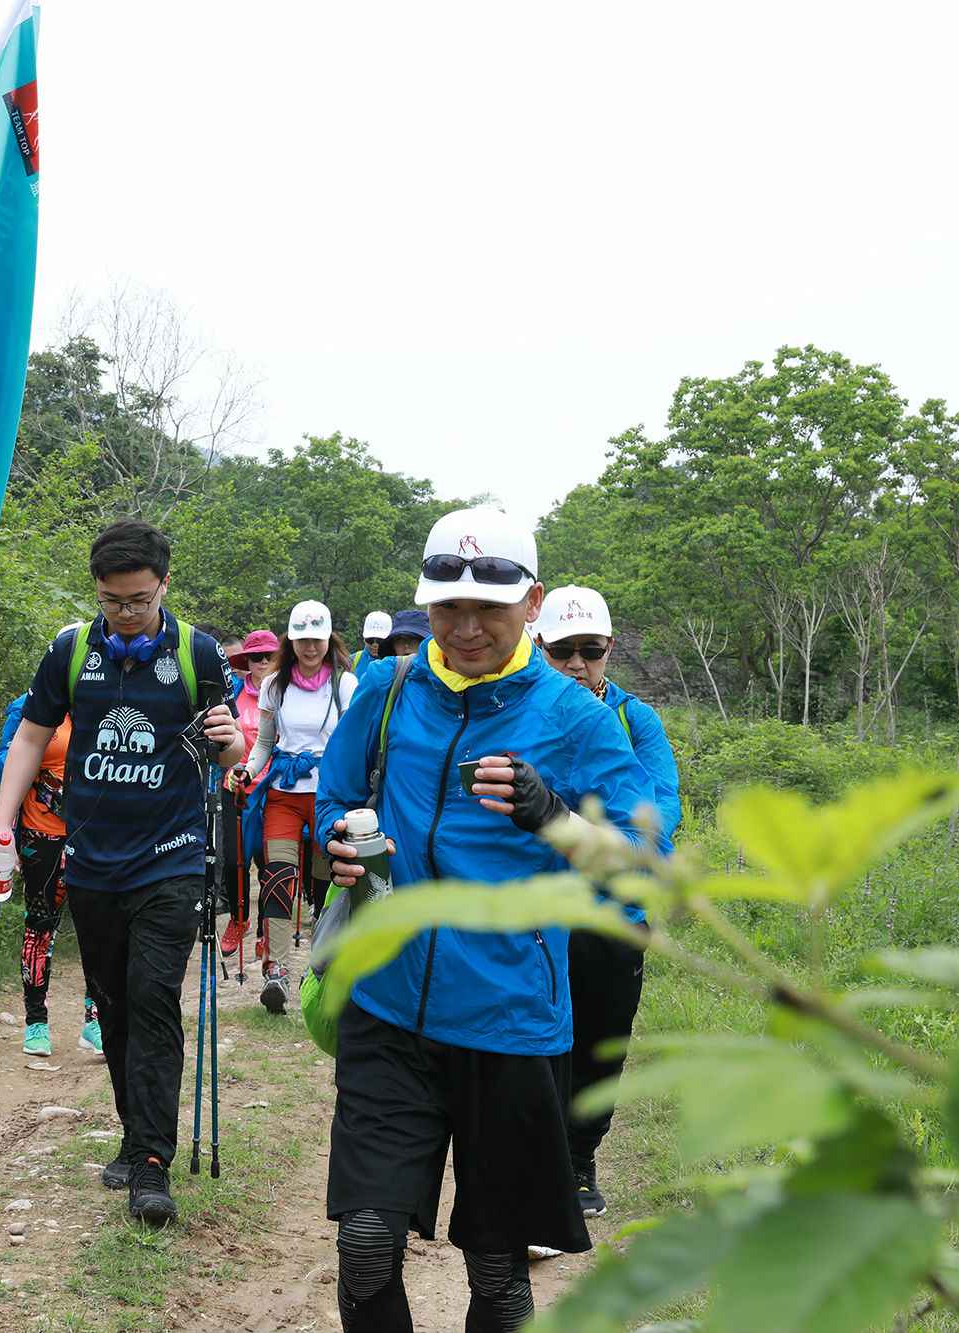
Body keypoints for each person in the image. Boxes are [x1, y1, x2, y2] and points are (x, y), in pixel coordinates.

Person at [313, 507, 656, 1333]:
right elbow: (336, 794)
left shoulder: (575, 718)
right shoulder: (389, 690)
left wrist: (555, 817)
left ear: (531, 604)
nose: (466, 628)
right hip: (387, 1005)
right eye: (448, 607)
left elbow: (642, 862)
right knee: (365, 1243)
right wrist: (339, 842)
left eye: (488, 609)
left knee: (498, 1273)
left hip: (509, 1022)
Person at [0, 520, 243, 1225]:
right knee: (116, 1004)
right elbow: (30, 737)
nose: (125, 613)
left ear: (163, 585)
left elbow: (230, 751)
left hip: (172, 858)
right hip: (92, 863)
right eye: (111, 600)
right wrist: (3, 823)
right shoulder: (71, 651)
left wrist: (232, 741)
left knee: (153, 997)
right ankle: (135, 1136)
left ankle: (152, 1161)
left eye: (138, 599)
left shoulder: (198, 654)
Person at [536, 584, 681, 1218]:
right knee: (539, 1039)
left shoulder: (634, 720)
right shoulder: (524, 713)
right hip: (540, 907)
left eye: (590, 651)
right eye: (562, 650)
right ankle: (540, 1162)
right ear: (539, 646)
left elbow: (660, 810)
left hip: (615, 910)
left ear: (609, 649)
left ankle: (578, 1161)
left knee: (601, 1042)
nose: (577, 664)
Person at [231, 599, 357, 1016]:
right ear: (292, 641)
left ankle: (324, 971)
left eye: (317, 639)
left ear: (329, 639)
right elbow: (265, 744)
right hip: (284, 793)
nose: (310, 647)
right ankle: (277, 971)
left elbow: (353, 744)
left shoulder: (345, 685)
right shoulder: (274, 685)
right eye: (303, 639)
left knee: (326, 887)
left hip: (330, 798)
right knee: (278, 879)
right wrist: (246, 771)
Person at [0, 695, 102, 1058]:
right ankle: (36, 1021)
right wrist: (26, 753)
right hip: (41, 836)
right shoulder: (30, 707)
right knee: (39, 928)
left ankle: (95, 1020)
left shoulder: (103, 702)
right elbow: (1, 768)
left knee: (99, 929)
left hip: (94, 836)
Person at [220, 628, 280, 959]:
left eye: (268, 656)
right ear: (247, 661)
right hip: (235, 786)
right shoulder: (232, 694)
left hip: (274, 787)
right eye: (255, 657)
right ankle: (238, 919)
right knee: (234, 860)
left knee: (268, 861)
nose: (262, 662)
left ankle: (264, 930)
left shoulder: (286, 693)